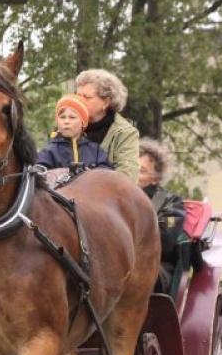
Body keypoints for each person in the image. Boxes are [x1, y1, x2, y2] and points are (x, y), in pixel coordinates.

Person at [138, 138, 186, 293]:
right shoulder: (115, 199)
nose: (133, 174)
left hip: (155, 267)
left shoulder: (170, 202)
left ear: (156, 179)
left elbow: (165, 241)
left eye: (141, 171)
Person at [75, 69, 140, 183]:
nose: (79, 101)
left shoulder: (125, 133)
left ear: (106, 102)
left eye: (87, 97)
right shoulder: (67, 125)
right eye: (78, 96)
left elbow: (127, 178)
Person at [36, 94, 112, 172]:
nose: (66, 121)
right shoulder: (48, 152)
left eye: (72, 117)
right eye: (62, 117)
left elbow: (106, 175)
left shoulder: (96, 151)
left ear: (83, 122)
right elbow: (39, 175)